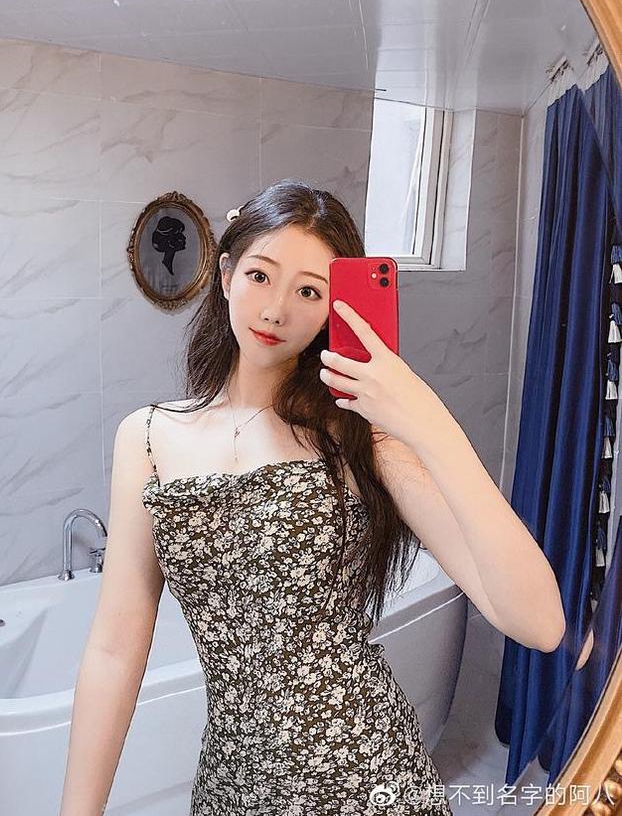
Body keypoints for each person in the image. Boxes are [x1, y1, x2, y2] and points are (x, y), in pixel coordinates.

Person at [59, 178, 566, 815]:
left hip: (368, 777)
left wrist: (429, 423)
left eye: (308, 291)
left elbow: (540, 624)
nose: (276, 310)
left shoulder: (363, 438)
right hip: (234, 785)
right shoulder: (149, 437)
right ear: (226, 276)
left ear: (333, 307)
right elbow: (113, 649)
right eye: (260, 276)